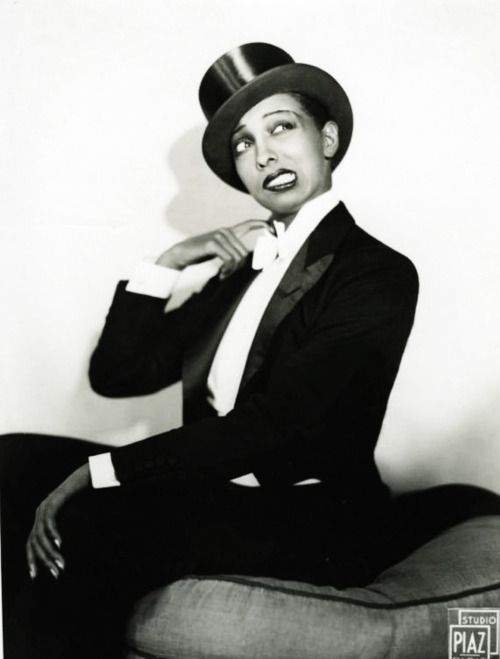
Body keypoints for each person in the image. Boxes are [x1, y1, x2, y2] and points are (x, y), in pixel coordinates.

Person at [2, 42, 499, 659]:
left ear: (328, 138)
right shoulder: (237, 270)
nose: (263, 154)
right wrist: (168, 263)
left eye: (281, 127)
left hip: (303, 510)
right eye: (243, 143)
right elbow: (118, 375)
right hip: (211, 485)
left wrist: (102, 472)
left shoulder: (377, 273)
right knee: (11, 462)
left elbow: (281, 424)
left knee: (85, 523)